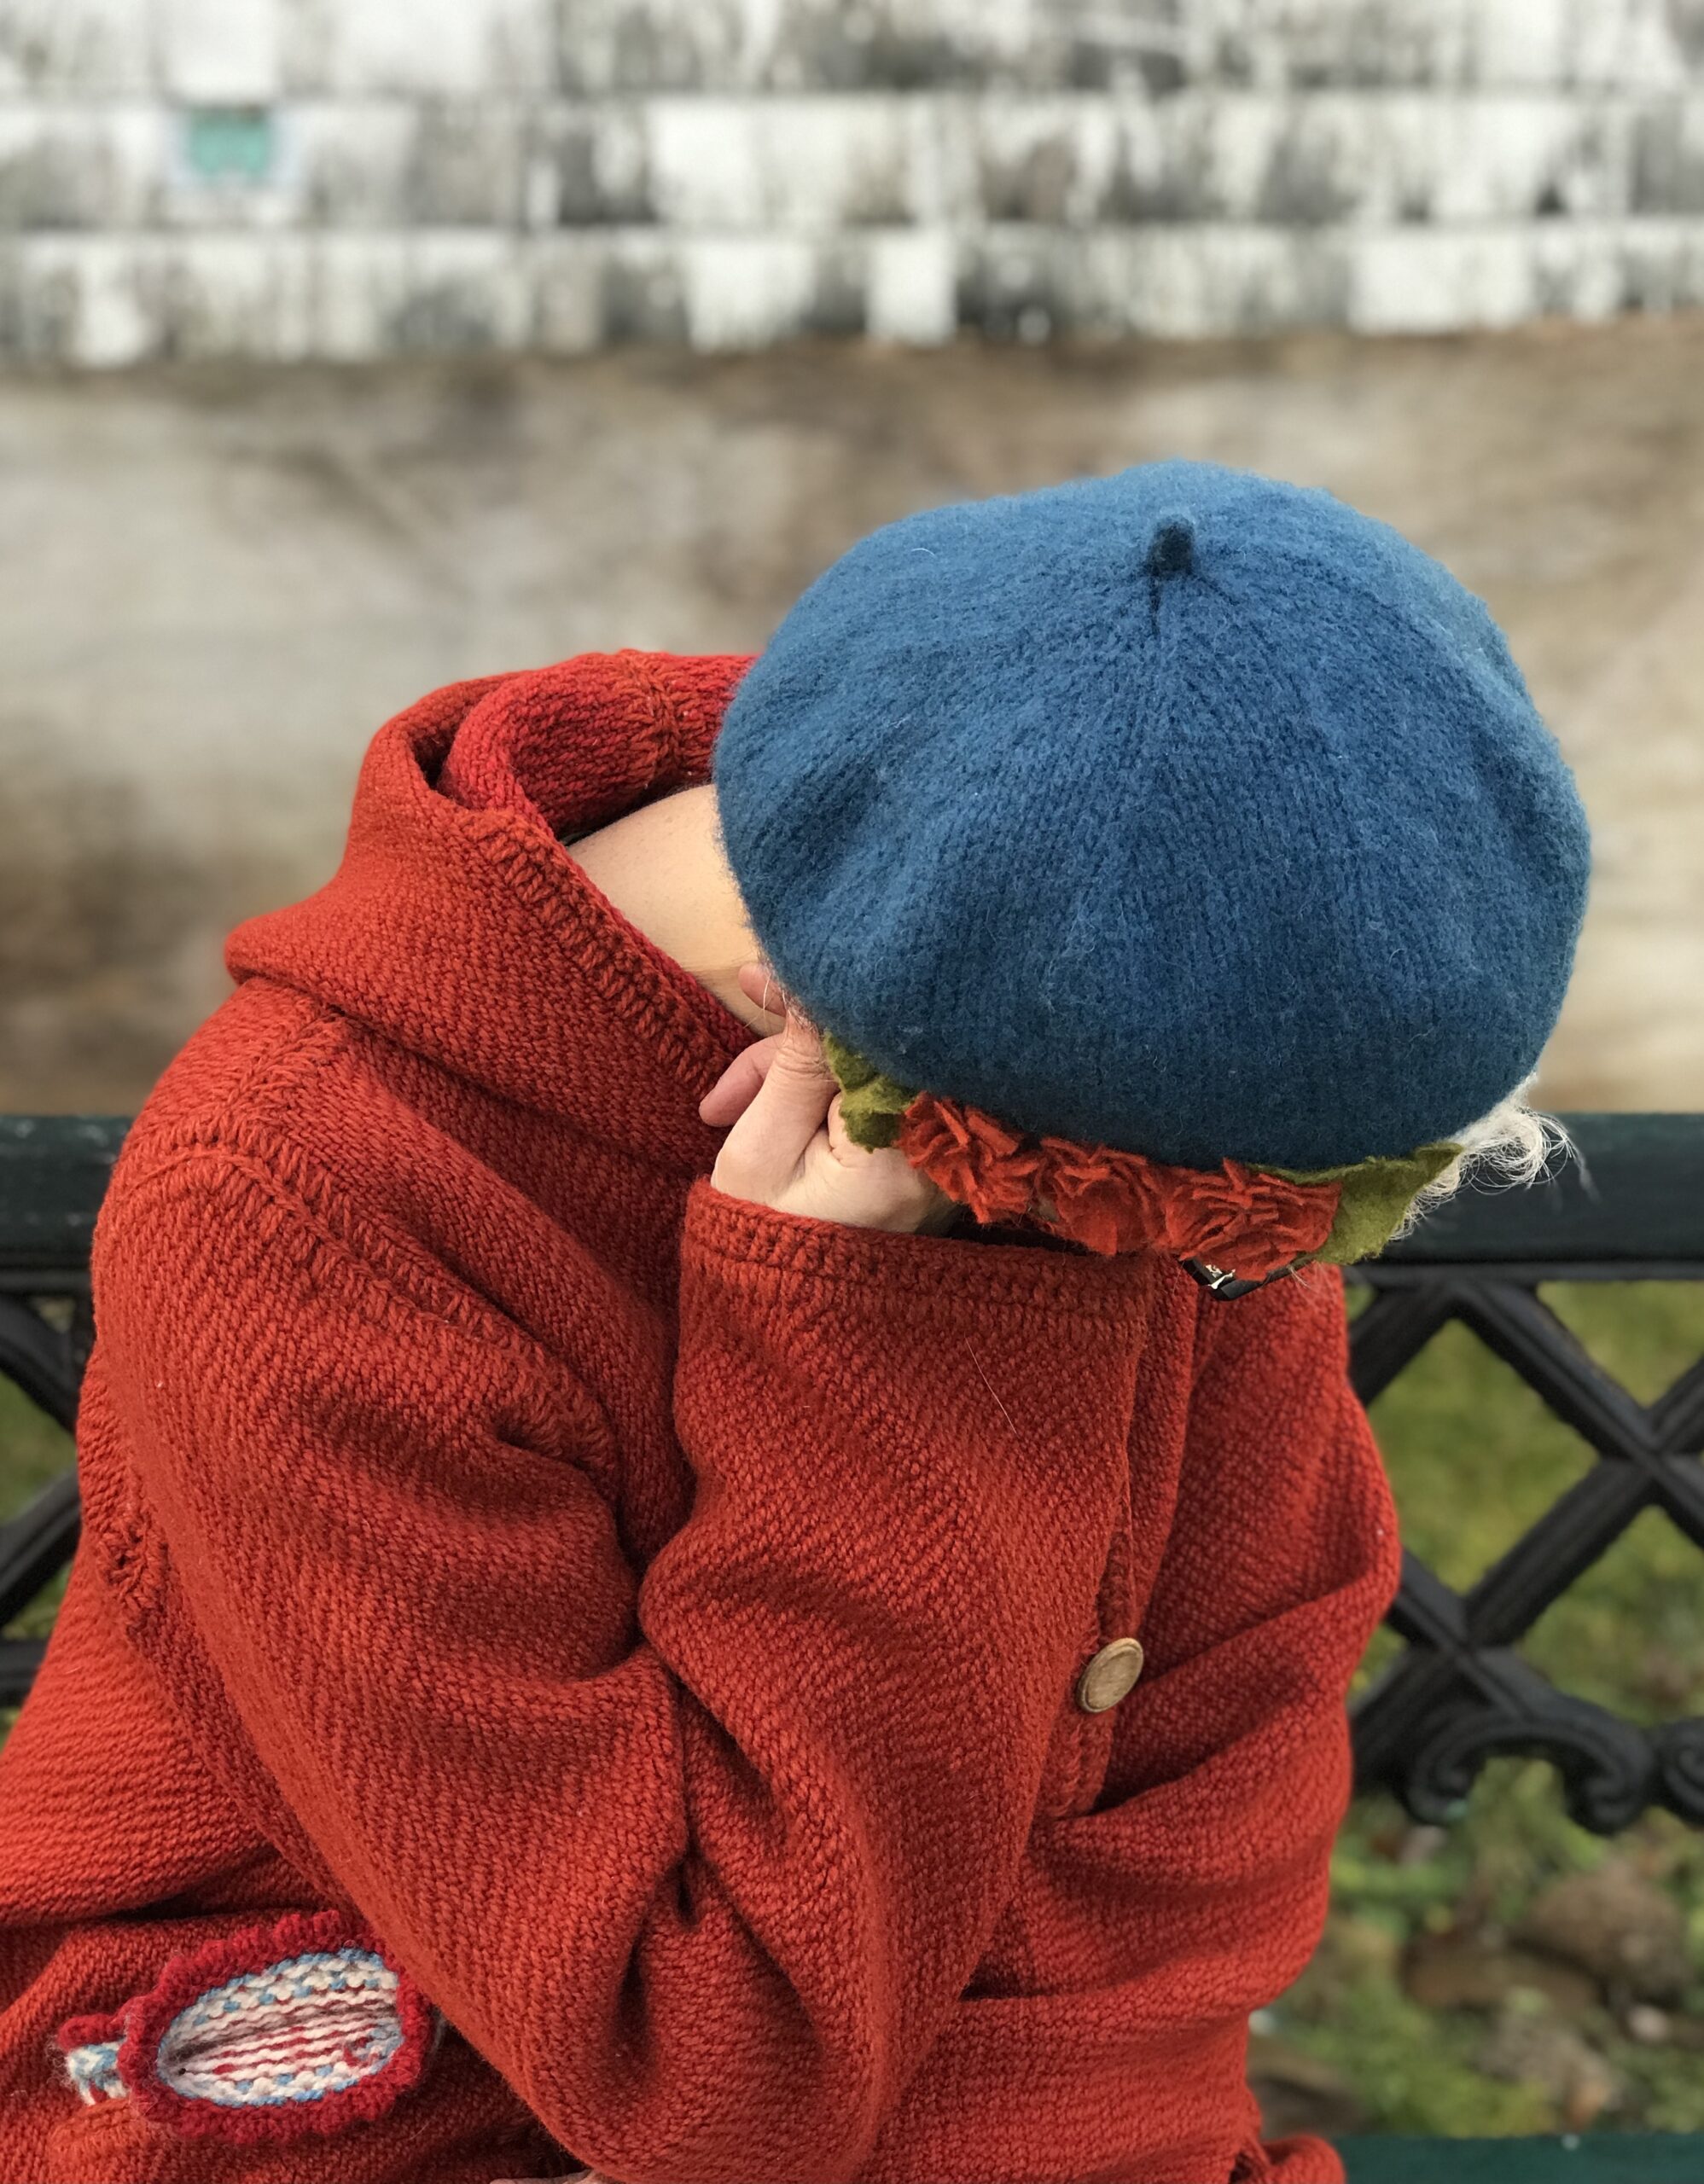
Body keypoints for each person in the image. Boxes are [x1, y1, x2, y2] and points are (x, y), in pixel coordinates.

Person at [0, 460, 1590, 2184]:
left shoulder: (1144, 986)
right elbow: (711, 2076)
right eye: (1215, 1223)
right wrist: (862, 1352)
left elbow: (1213, 1803)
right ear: (819, 1017)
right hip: (348, 2095)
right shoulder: (303, 1200)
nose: (1253, 1270)